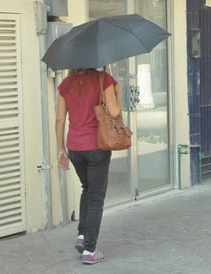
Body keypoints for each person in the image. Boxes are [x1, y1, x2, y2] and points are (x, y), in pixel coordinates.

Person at [55, 67, 121, 265]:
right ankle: (90, 250)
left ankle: (82, 236)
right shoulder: (103, 79)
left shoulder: (66, 84)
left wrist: (61, 149)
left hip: (74, 147)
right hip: (97, 146)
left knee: (87, 188)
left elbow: (59, 119)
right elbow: (115, 111)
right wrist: (117, 90)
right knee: (96, 196)